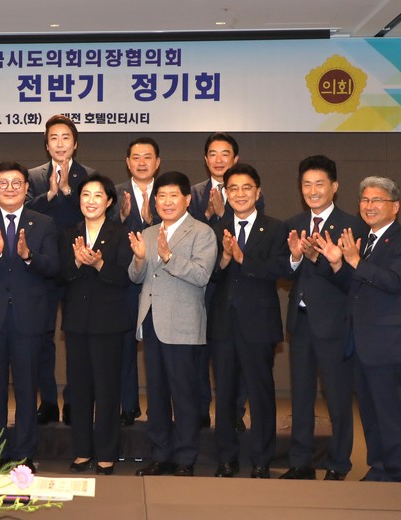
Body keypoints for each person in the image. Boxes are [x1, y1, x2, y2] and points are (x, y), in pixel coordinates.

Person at [314, 176, 401, 482]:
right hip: (361, 343)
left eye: (377, 200)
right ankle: (379, 468)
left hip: (388, 345)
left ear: (395, 207)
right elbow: (356, 286)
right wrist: (338, 264)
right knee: (371, 415)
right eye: (364, 200)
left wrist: (355, 260)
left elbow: (394, 282)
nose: (369, 206)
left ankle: (396, 475)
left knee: (390, 415)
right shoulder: (367, 240)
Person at [0, 161, 59, 471]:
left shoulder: (43, 223)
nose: (9, 189)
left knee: (26, 388)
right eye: (3, 183)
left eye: (16, 183)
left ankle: (24, 452)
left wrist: (28, 256)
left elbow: (54, 267)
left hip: (28, 319)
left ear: (27, 188)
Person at [281, 155, 365, 481]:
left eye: (319, 184)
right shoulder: (294, 223)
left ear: (334, 187)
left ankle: (338, 463)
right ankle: (300, 462)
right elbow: (286, 273)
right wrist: (294, 258)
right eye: (307, 184)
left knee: (338, 398)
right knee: (301, 396)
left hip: (335, 324)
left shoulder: (351, 226)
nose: (313, 191)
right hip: (300, 322)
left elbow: (354, 281)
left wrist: (321, 260)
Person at [129, 171, 217, 477]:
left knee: (184, 395)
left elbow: (202, 275)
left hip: (182, 324)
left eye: (173, 196)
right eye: (162, 196)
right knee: (156, 394)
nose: (167, 202)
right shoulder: (149, 232)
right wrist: (139, 259)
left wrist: (168, 257)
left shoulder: (202, 232)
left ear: (187, 199)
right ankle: (160, 455)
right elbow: (136, 277)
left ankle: (185, 458)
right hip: (152, 321)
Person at [209, 164, 292, 479]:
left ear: (258, 192)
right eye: (233, 188)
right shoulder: (216, 229)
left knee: (261, 394)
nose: (240, 194)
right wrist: (224, 260)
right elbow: (208, 276)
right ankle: (226, 458)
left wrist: (244, 259)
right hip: (223, 325)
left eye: (246, 188)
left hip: (259, 324)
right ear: (226, 194)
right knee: (225, 395)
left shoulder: (275, 228)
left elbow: (282, 269)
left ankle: (261, 459)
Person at [59, 174, 132, 475]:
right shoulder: (68, 233)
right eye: (86, 195)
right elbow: (60, 276)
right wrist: (77, 262)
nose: (91, 201)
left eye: (98, 195)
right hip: (77, 322)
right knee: (79, 390)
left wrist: (99, 264)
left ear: (109, 201)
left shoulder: (120, 233)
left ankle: (106, 453)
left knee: (107, 390)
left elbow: (126, 277)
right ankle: (82, 451)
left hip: (108, 323)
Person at [189, 132, 262, 431]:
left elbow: (254, 237)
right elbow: (187, 234)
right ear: (205, 159)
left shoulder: (250, 192)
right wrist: (210, 216)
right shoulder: (193, 194)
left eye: (225, 154)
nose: (219, 160)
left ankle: (234, 411)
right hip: (199, 287)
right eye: (213, 154)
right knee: (200, 353)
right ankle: (200, 409)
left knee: (236, 355)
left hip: (235, 288)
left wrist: (223, 214)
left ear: (235, 158)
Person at [27, 114, 97, 425]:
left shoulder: (89, 177)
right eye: (53, 138)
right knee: (42, 336)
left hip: (76, 266)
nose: (59, 143)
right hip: (42, 268)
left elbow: (92, 216)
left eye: (65, 138)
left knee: (75, 337)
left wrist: (69, 192)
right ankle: (47, 401)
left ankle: (73, 401)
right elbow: (25, 213)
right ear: (46, 144)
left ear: (75, 143)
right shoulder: (32, 177)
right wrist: (51, 194)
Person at [110, 137, 161, 426]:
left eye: (147, 157)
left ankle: (159, 409)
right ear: (128, 163)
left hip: (162, 282)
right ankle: (128, 406)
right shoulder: (114, 194)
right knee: (126, 347)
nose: (142, 163)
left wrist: (152, 220)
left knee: (159, 349)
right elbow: (104, 233)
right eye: (136, 158)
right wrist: (121, 217)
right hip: (126, 283)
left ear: (158, 162)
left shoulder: (168, 193)